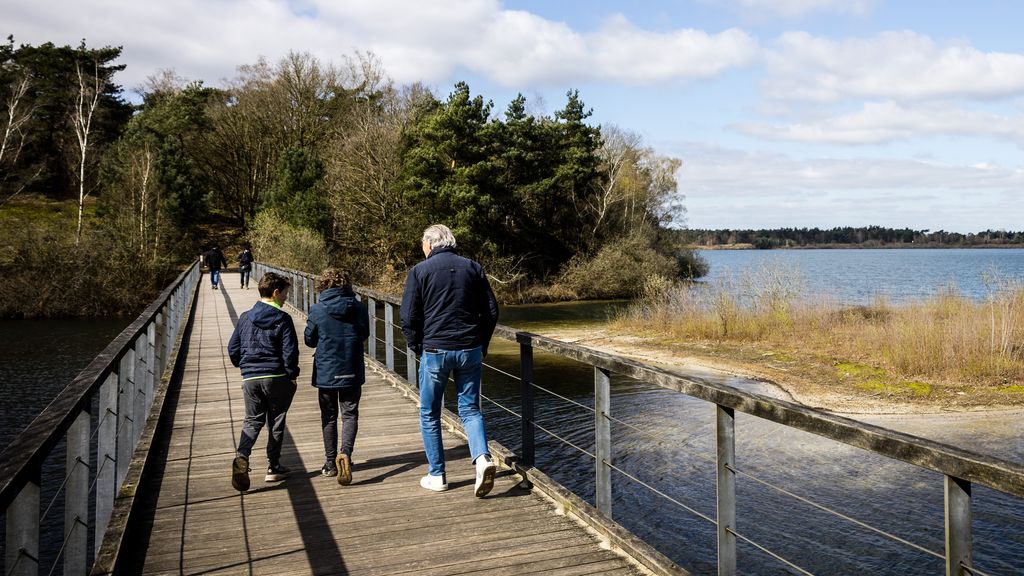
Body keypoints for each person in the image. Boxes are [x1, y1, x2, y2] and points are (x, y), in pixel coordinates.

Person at [400, 224, 500, 497]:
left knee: (430, 413)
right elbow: (492, 310)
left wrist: (417, 347)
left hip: (435, 350)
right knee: (470, 410)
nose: (422, 249)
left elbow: (408, 316)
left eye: (422, 244)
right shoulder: (473, 267)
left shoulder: (419, 271)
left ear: (430, 244)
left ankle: (437, 475)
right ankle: (482, 459)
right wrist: (483, 343)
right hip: (470, 349)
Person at [227, 272, 299, 491]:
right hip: (276, 377)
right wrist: (291, 374)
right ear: (276, 293)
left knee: (252, 420)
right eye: (285, 294)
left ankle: (242, 456)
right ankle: (273, 467)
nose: (286, 298)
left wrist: (246, 367)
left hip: (251, 378)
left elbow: (233, 349)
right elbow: (290, 353)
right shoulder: (283, 319)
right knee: (275, 422)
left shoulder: (245, 317)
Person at [304, 269, 369, 485]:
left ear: (323, 286)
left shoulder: (317, 309)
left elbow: (309, 340)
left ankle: (331, 463)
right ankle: (346, 455)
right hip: (352, 366)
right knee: (350, 414)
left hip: (327, 370)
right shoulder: (359, 307)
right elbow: (364, 334)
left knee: (329, 416)